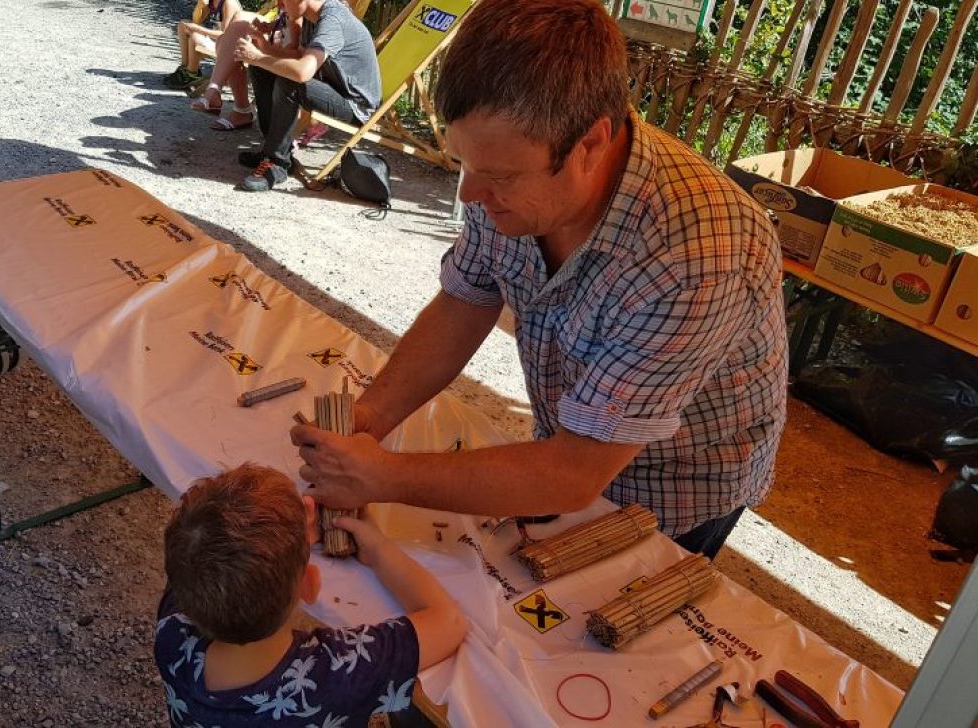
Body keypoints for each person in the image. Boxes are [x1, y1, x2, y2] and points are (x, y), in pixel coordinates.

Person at [290, 0, 788, 559]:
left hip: (673, 487)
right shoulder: (503, 173)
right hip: (565, 447)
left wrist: (385, 477)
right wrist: (369, 419)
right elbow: (464, 303)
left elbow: (572, 474)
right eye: (464, 164)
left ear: (591, 145)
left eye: (498, 175)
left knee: (598, 631)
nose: (471, 195)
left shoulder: (699, 254)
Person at [155, 463, 467, 727]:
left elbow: (206, 554)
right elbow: (449, 622)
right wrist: (378, 549)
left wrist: (289, 539)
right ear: (310, 585)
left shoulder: (170, 634)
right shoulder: (337, 674)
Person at [231, 0, 381, 191]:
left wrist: (258, 57)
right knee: (261, 69)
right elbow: (298, 57)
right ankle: (272, 150)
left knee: (291, 81)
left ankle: (277, 163)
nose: (279, 5)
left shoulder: (333, 20)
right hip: (332, 89)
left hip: (355, 105)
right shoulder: (313, 17)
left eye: (283, 0)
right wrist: (263, 48)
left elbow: (302, 72)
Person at [190, 3, 298, 132]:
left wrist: (265, 46)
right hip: (281, 38)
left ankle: (238, 108)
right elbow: (287, 20)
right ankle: (217, 92)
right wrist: (271, 26)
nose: (279, 3)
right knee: (233, 34)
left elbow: (297, 46)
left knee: (230, 42)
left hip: (295, 58)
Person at [164, 0, 245, 91]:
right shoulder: (212, 2)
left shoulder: (229, 3)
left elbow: (224, 34)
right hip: (218, 42)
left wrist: (199, 29)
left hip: (230, 47)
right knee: (183, 25)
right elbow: (196, 21)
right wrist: (201, 5)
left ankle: (192, 74)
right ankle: (185, 68)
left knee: (195, 36)